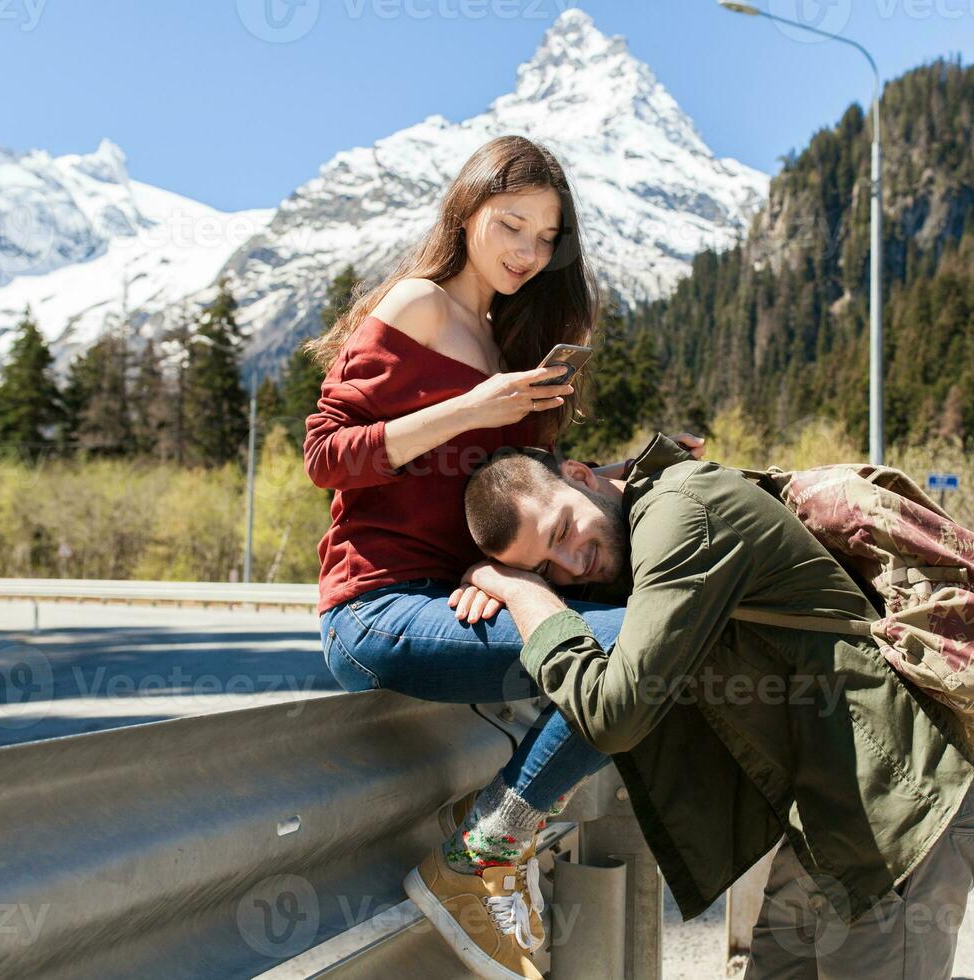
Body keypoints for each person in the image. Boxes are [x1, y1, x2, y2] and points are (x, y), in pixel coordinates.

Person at [301, 134, 703, 980]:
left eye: (545, 238)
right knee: (634, 644)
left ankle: (487, 851)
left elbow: (505, 497)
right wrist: (470, 407)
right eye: (511, 225)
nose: (527, 252)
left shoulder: (510, 341)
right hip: (373, 607)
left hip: (456, 598)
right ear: (468, 210)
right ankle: (480, 858)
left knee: (660, 632)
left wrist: (629, 476)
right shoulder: (416, 306)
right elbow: (326, 456)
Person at [455, 432, 974, 979]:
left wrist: (522, 592)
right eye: (546, 569)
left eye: (563, 531)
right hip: (826, 832)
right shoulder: (639, 524)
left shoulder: (680, 515)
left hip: (901, 821)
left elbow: (615, 715)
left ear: (581, 475)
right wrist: (505, 582)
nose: (572, 564)